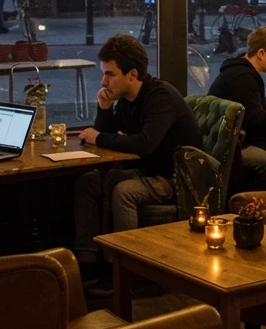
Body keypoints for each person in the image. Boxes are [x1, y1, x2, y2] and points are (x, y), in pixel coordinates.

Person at [73, 34, 203, 292]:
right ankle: (88, 263)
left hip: (176, 179)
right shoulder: (126, 100)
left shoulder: (160, 97)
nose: (103, 81)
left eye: (110, 74)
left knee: (123, 191)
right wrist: (104, 108)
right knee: (90, 181)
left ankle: (123, 271)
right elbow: (108, 139)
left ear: (132, 74)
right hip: (148, 171)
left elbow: (144, 144)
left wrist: (99, 136)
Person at [209, 26, 266, 191]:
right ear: (261, 53)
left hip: (223, 140)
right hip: (224, 148)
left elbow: (253, 105)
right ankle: (251, 209)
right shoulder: (244, 78)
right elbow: (258, 121)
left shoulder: (237, 70)